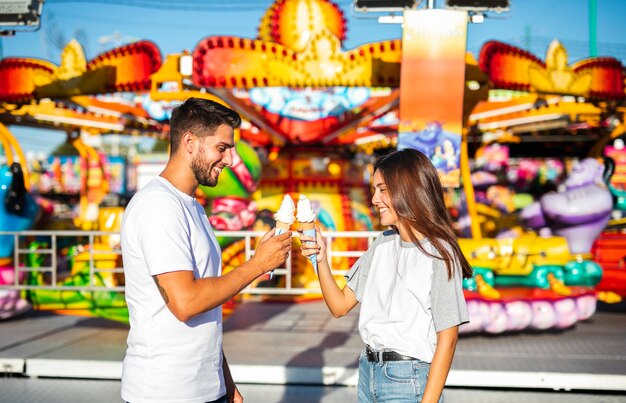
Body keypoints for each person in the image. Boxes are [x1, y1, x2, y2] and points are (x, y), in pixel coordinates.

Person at [120, 98, 292, 403]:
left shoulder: (193, 208)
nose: (229, 159)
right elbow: (186, 302)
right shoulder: (159, 206)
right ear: (190, 142)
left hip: (203, 388)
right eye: (222, 148)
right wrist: (257, 264)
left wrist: (225, 381)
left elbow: (206, 311)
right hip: (166, 392)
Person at [300, 148, 472, 402]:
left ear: (407, 190)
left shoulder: (439, 253)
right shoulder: (381, 243)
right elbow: (339, 306)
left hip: (408, 379)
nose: (374, 200)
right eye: (374, 190)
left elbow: (447, 340)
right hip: (368, 371)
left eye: (383, 190)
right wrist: (321, 259)